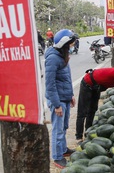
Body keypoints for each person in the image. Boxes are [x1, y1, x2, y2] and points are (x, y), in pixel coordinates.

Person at [45, 29, 78, 169]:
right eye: (70, 44)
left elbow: (65, 78)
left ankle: (63, 150)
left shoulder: (63, 55)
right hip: (57, 100)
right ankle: (57, 158)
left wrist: (70, 95)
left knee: (64, 127)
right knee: (57, 130)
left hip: (64, 98)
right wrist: (57, 104)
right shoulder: (53, 58)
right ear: (64, 44)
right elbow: (50, 85)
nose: (72, 46)